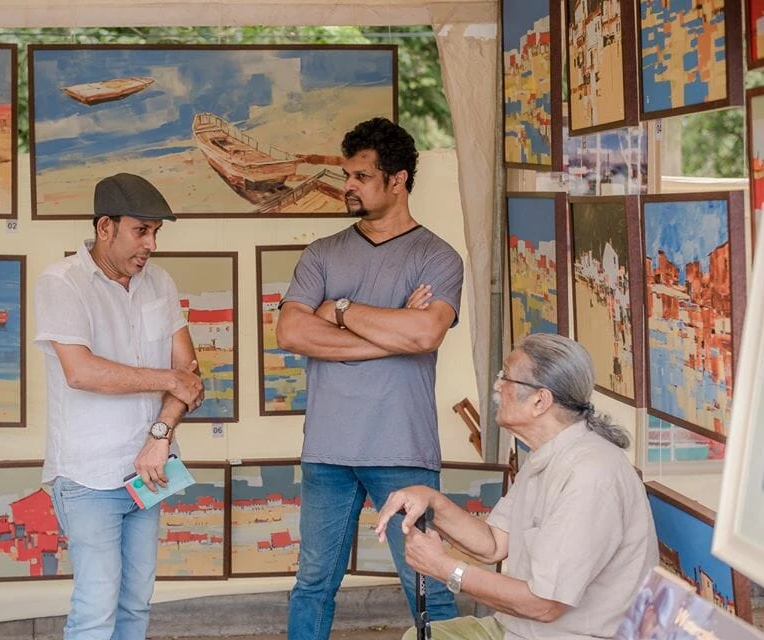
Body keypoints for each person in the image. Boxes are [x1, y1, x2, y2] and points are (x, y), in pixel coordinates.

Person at [276, 116, 465, 640]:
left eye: (360, 176)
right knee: (312, 583)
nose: (348, 186)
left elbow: (425, 333)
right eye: (347, 175)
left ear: (398, 179)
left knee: (428, 581)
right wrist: (386, 332)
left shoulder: (438, 256)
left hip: (403, 450)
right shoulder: (322, 253)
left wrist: (336, 310)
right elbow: (291, 331)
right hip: (327, 449)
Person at [376, 333, 659, 640]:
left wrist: (445, 568)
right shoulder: (548, 454)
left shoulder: (590, 474)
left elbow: (545, 605)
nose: (498, 386)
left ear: (540, 400)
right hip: (520, 629)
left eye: (506, 377)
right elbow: (493, 544)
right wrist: (430, 500)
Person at [34, 172, 205, 640]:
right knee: (95, 612)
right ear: (105, 227)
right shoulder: (61, 282)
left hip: (150, 471)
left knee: (135, 607)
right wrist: (171, 379)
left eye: (156, 233)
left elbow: (189, 373)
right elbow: (82, 372)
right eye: (141, 231)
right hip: (89, 479)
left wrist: (160, 435)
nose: (151, 244)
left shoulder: (159, 282)